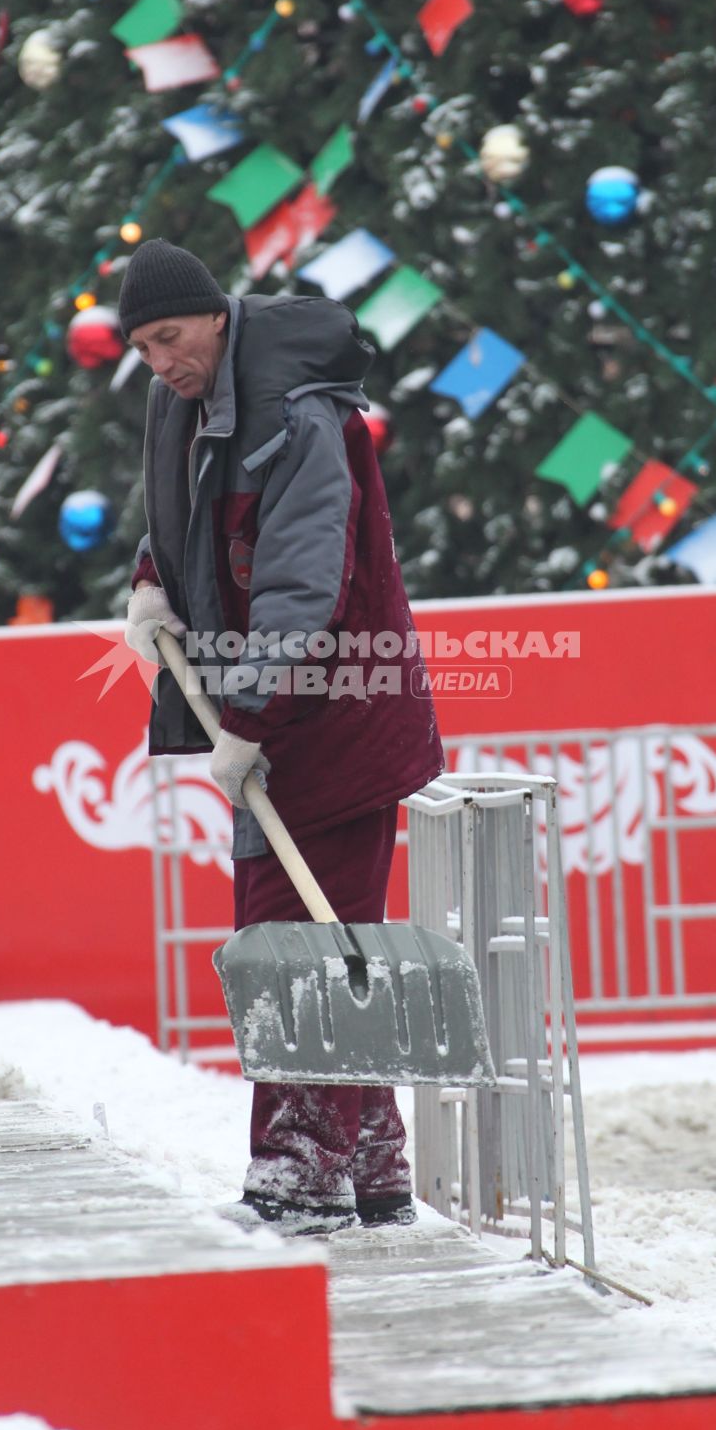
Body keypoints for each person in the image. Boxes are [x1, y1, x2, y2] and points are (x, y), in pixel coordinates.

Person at [120, 239, 443, 1234]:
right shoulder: (190, 402)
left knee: (295, 955)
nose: (159, 361)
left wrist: (251, 718)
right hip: (276, 726)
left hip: (329, 726)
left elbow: (305, 586)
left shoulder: (303, 414)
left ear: (215, 316)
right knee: (322, 946)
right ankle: (373, 1164)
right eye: (141, 347)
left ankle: (296, 1179)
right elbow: (184, 525)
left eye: (169, 336)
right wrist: (146, 583)